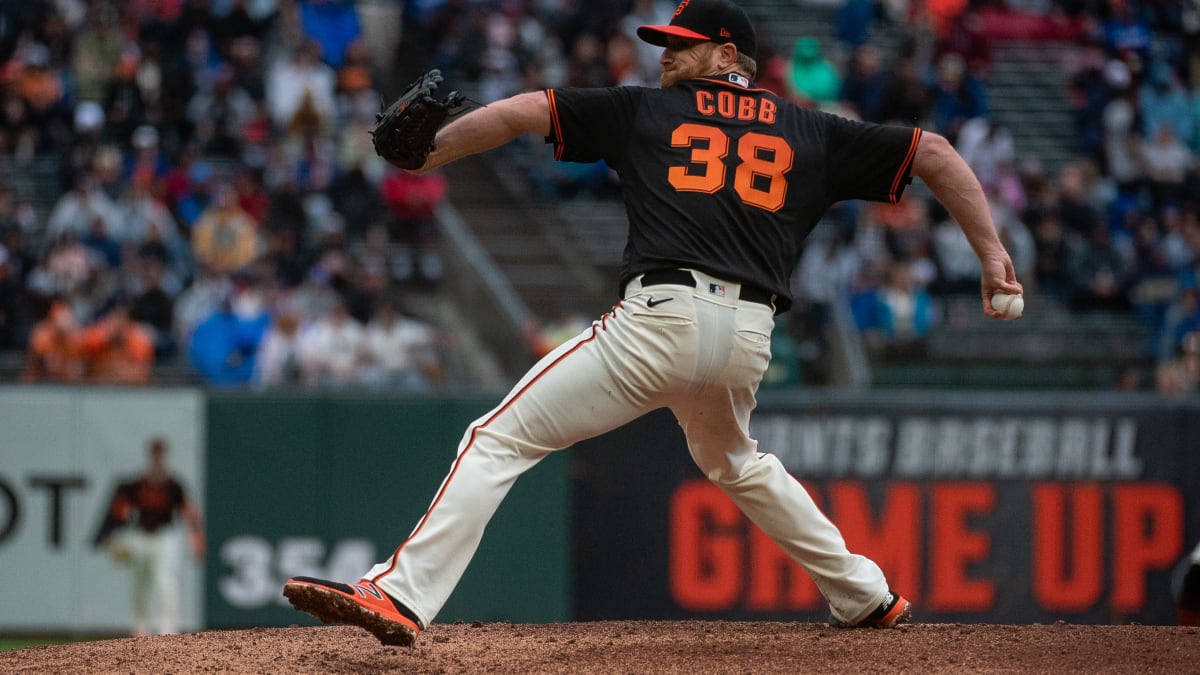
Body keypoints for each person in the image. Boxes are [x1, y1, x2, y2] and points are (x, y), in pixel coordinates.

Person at [283, 0, 1023, 647]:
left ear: (726, 53)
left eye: (680, 43)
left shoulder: (643, 108)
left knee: (497, 437)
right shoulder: (811, 130)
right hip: (748, 337)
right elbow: (934, 152)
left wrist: (434, 152)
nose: (665, 54)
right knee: (734, 460)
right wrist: (993, 257)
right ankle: (864, 591)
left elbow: (523, 112)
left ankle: (402, 593)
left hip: (660, 319)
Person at [93, 437, 205, 637]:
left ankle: (168, 632)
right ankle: (140, 631)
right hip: (139, 537)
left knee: (165, 583)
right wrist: (105, 536)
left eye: (160, 454)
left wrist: (197, 540)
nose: (157, 458)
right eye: (155, 453)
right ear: (149, 456)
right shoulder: (134, 485)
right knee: (138, 586)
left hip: (165, 537)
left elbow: (190, 516)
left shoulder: (174, 486)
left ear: (165, 457)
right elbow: (115, 512)